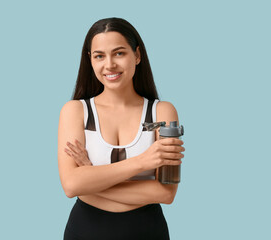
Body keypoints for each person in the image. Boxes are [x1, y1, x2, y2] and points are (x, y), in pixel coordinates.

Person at [57, 17, 185, 240]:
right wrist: (142, 162)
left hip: (147, 232)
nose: (109, 65)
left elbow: (165, 193)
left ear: (136, 55)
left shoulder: (163, 112)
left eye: (119, 53)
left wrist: (91, 178)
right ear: (91, 60)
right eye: (99, 56)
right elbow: (71, 185)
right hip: (85, 231)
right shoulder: (75, 111)